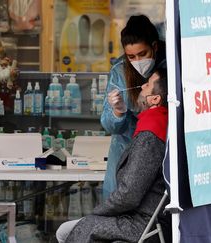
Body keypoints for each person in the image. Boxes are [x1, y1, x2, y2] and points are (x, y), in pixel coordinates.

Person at [56, 68, 170, 243]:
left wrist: (96, 213)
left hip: (142, 224)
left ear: (154, 98)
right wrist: (118, 110)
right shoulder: (156, 123)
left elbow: (128, 194)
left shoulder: (150, 134)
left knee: (69, 231)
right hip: (143, 219)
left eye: (147, 85)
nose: (142, 87)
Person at [101, 14, 166, 198]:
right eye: (131, 56)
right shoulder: (120, 71)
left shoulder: (172, 63)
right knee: (120, 203)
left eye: (142, 54)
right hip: (127, 154)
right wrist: (117, 112)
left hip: (161, 152)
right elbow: (108, 124)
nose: (137, 61)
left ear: (154, 46)